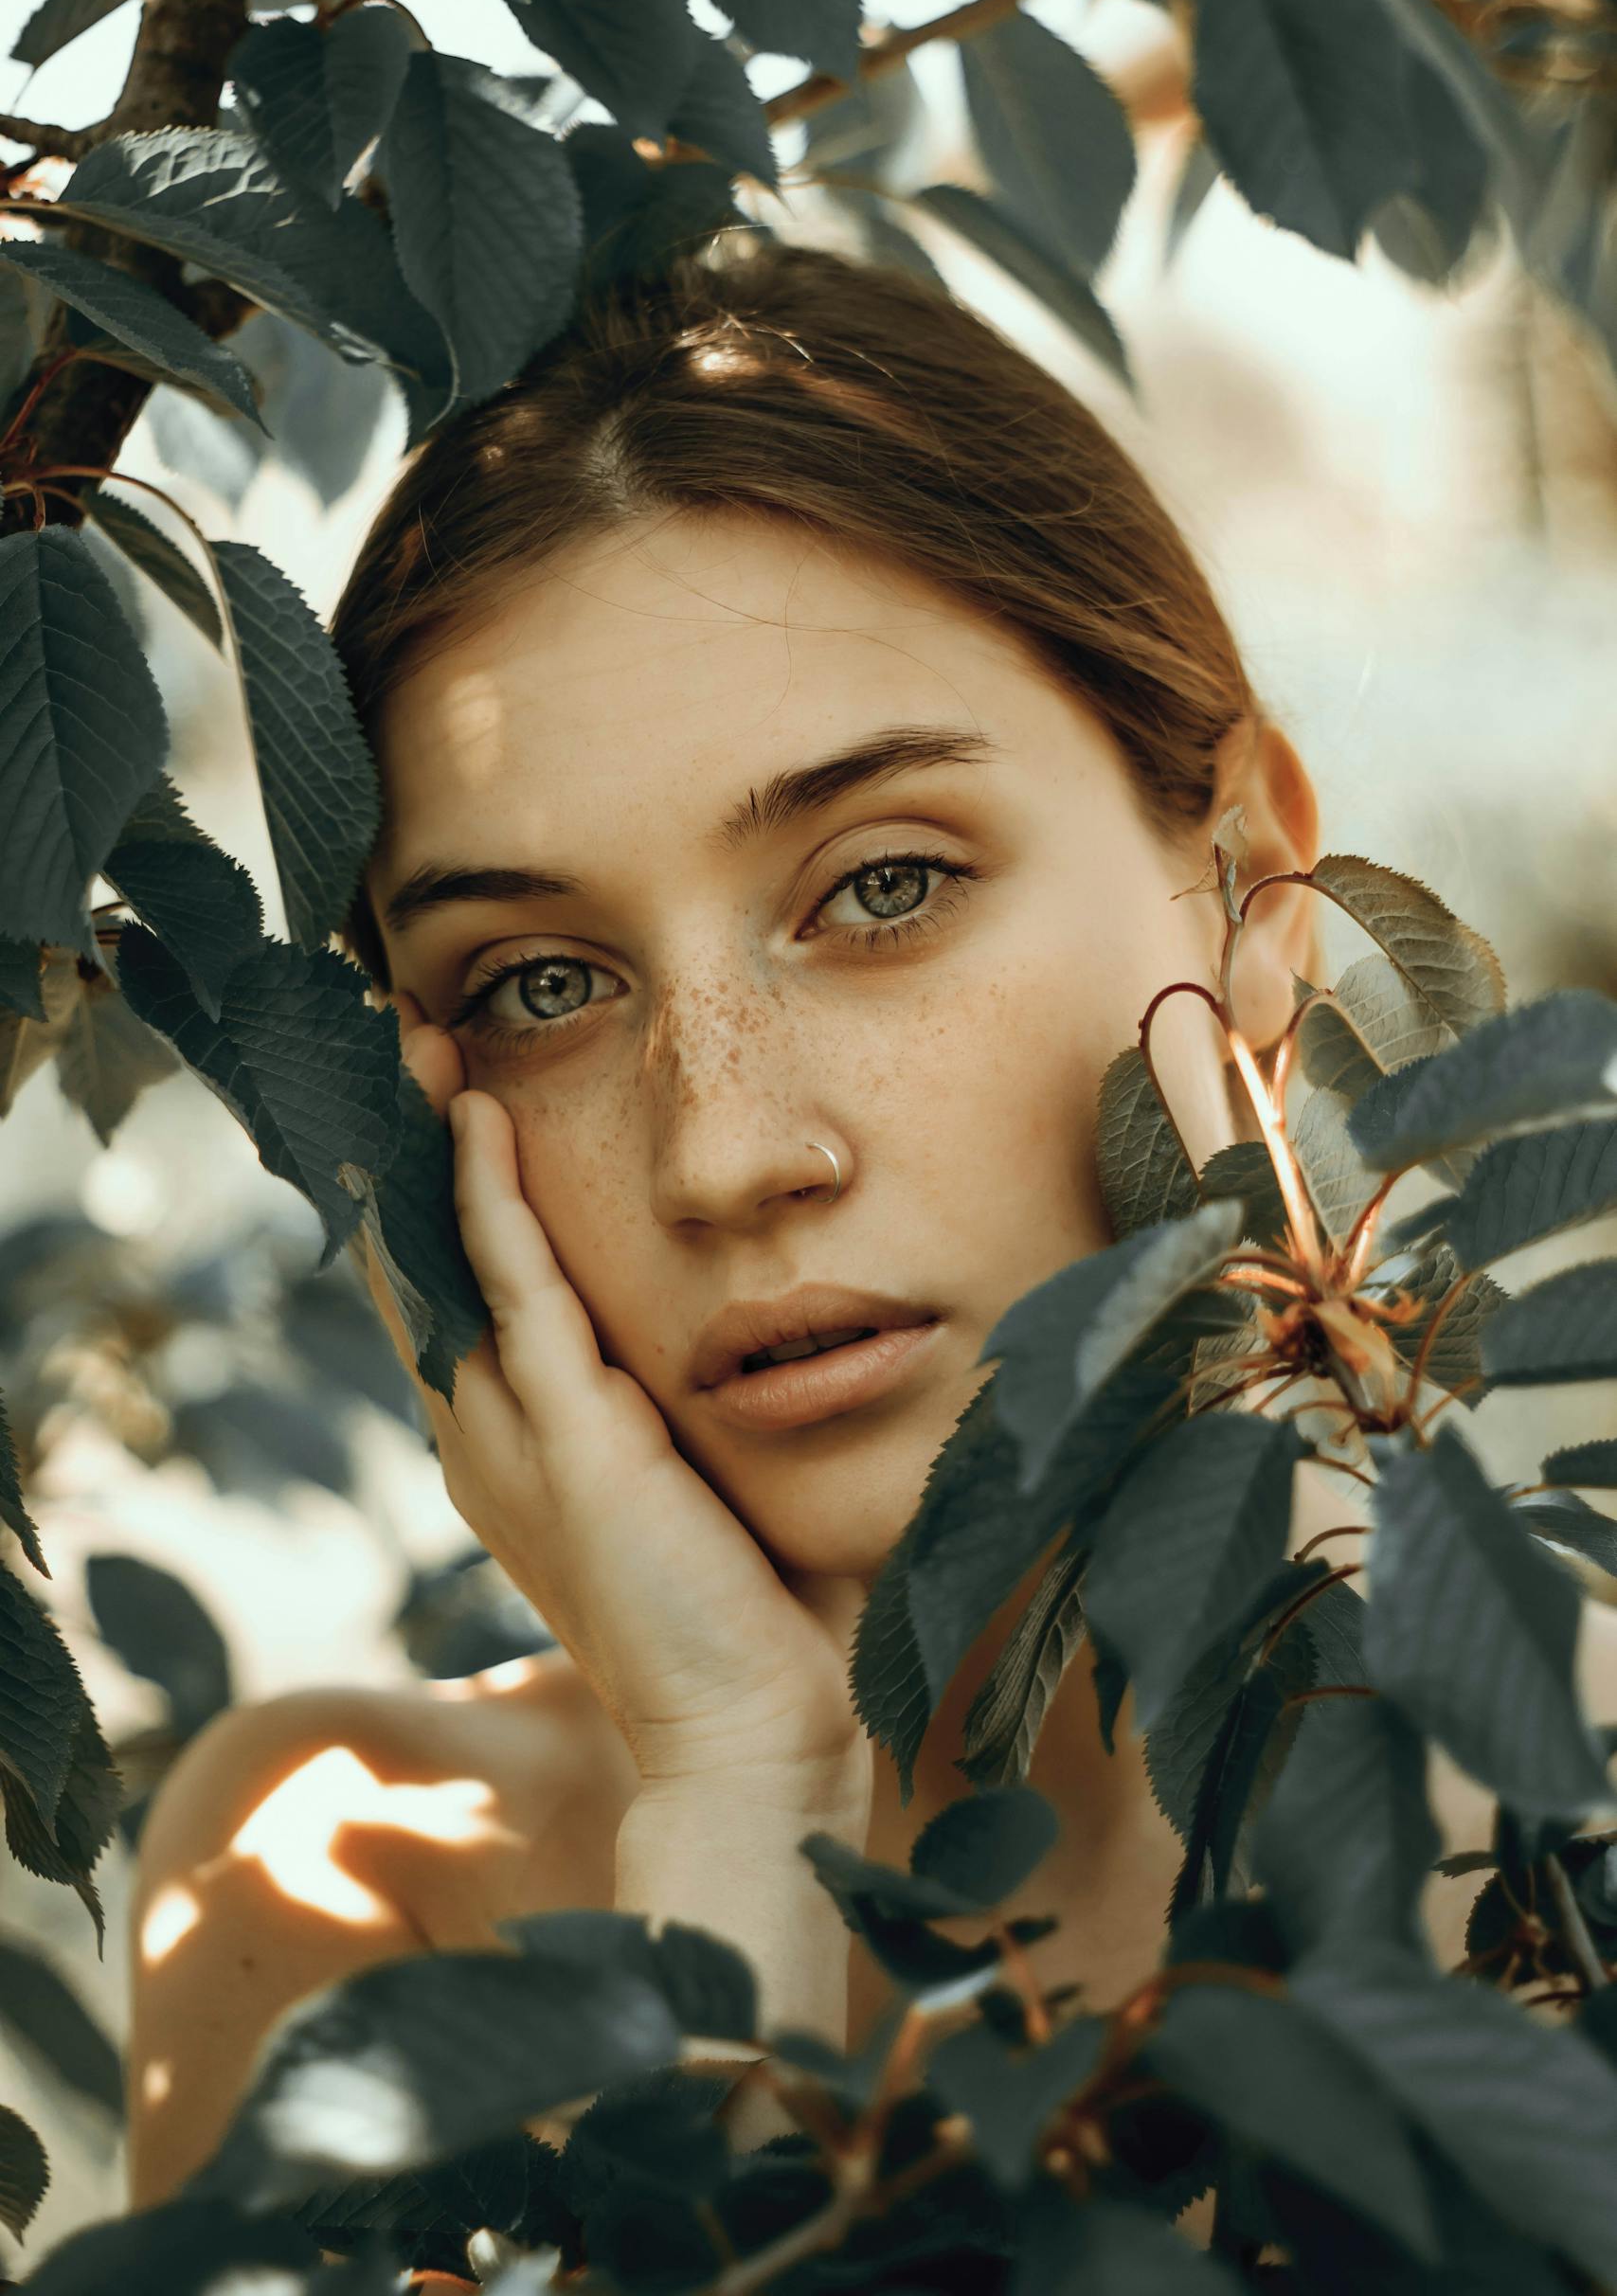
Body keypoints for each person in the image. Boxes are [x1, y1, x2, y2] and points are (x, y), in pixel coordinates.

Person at [121, 241, 1495, 2219]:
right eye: (538, 986)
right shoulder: (345, 1886)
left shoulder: (1575, 1838)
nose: (723, 1152)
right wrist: (732, 1797)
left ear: (1250, 886)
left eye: (882, 887)